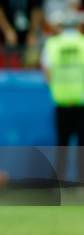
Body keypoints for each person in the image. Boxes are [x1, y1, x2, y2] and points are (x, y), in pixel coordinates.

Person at [41, 10, 84, 182]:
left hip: (61, 101)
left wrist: (58, 86)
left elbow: (46, 74)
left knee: (62, 145)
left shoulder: (52, 44)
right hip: (81, 103)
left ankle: (59, 182)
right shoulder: (82, 43)